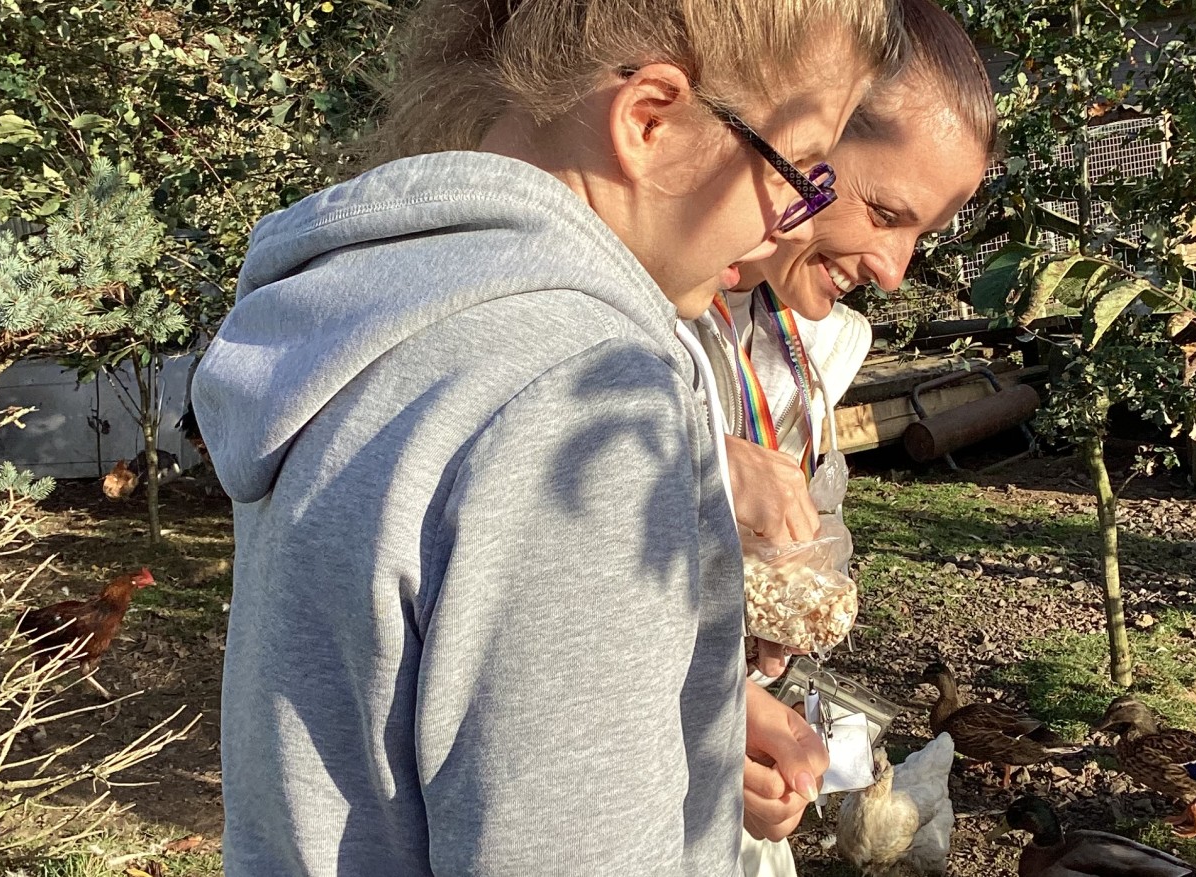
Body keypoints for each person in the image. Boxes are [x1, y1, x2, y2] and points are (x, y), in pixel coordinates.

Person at [191, 0, 906, 874]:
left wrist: (680, 706)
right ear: (650, 118)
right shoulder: (582, 393)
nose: (787, 221)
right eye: (795, 171)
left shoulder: (380, 315)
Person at [687, 1, 998, 871]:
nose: (896, 271)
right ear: (804, 144)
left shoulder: (814, 345)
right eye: (885, 211)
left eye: (923, 235)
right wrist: (697, 458)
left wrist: (735, 687)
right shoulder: (622, 321)